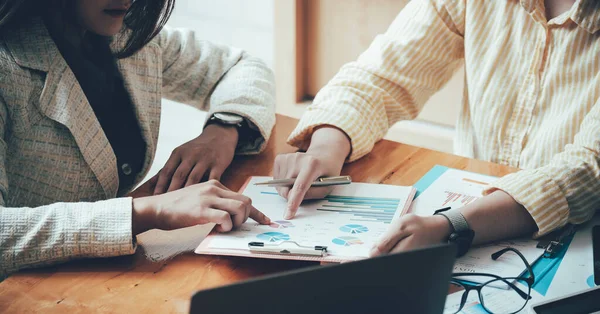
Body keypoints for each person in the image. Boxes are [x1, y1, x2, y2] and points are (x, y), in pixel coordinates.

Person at [274, 0, 600, 256]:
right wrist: (324, 148)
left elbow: (587, 169)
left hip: (573, 242)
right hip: (458, 213)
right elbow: (381, 76)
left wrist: (454, 225)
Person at [0, 0, 274, 278]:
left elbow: (243, 67)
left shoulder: (127, 36)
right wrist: (145, 212)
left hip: (97, 276)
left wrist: (222, 130)